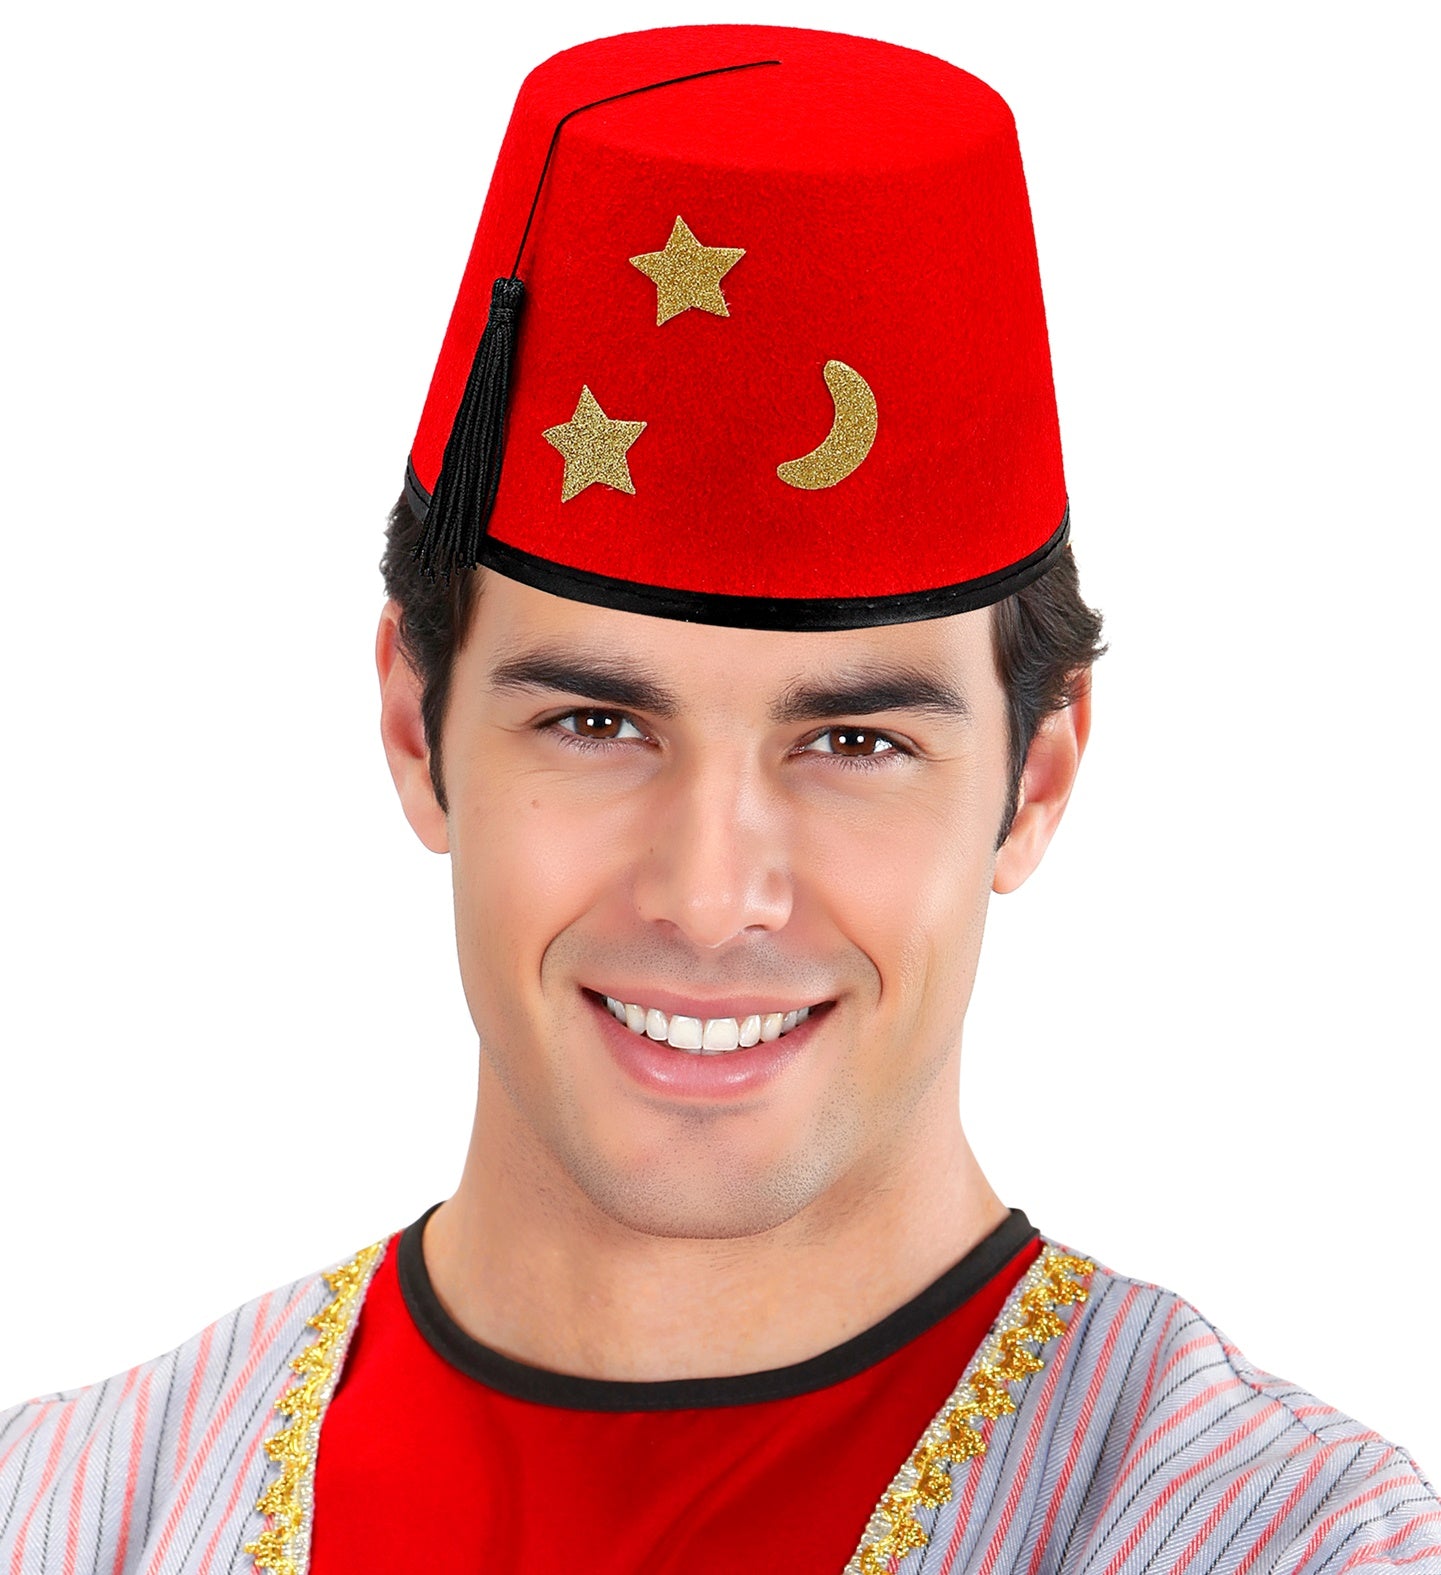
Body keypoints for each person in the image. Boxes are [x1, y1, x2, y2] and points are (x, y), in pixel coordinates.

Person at [2, 22, 1435, 1575]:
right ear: (416, 726)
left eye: (854, 745)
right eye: (598, 721)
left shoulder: (1291, 1546)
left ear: (1037, 777)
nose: (709, 893)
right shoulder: (66, 1514)